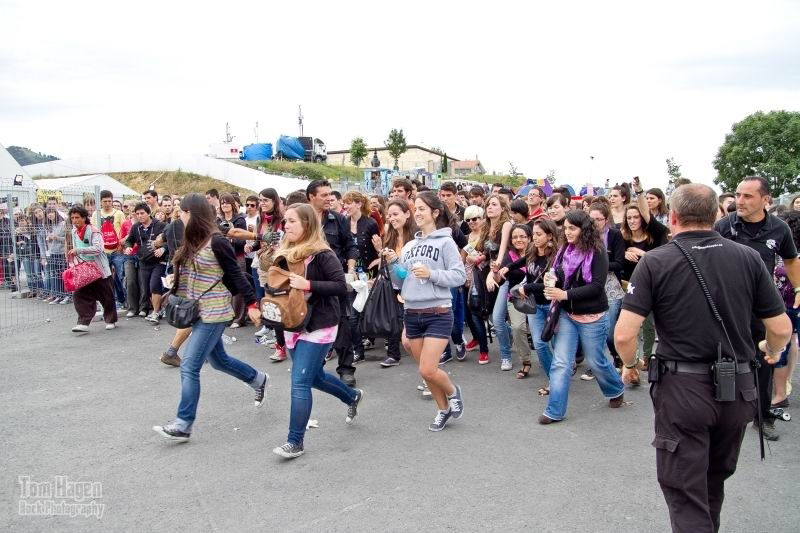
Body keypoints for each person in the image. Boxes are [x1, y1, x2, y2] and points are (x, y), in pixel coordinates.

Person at [614, 184, 791, 533]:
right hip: (737, 387)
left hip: (683, 389)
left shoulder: (656, 261)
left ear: (673, 217)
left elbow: (623, 334)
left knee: (685, 490)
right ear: (715, 215)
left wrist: (630, 365)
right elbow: (781, 328)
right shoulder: (748, 257)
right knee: (712, 481)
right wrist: (772, 350)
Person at [152, 194, 267, 443]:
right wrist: (174, 285)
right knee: (219, 361)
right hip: (195, 310)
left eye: (182, 213)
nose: (179, 217)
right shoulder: (191, 239)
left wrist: (252, 304)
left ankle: (183, 424)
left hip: (214, 312)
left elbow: (236, 274)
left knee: (189, 366)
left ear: (190, 213)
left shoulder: (217, 241)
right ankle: (258, 379)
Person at [269, 203, 363, 459]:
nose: (286, 225)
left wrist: (308, 284)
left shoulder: (322, 253)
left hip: (320, 324)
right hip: (293, 322)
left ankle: (295, 442)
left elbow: (340, 286)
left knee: (300, 381)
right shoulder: (285, 252)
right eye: (285, 221)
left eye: (292, 221)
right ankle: (352, 397)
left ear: (307, 224)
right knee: (314, 377)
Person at [714, 176, 800, 441]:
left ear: (765, 200)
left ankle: (762, 417)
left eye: (747, 196)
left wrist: (798, 288)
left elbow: (790, 260)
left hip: (762, 306)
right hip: (727, 306)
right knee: (725, 359)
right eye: (738, 195)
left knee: (765, 360)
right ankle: (724, 415)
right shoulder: (723, 226)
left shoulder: (779, 228)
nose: (740, 201)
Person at [385, 191, 466, 431]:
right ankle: (443, 410)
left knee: (427, 368)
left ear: (435, 212)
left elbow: (459, 276)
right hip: (412, 312)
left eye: (422, 209)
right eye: (416, 209)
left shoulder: (446, 242)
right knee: (427, 373)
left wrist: (432, 274)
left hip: (438, 312)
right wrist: (393, 264)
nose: (418, 213)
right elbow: (401, 280)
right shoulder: (410, 246)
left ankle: (453, 391)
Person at [539, 210, 625, 424]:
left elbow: (597, 286)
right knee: (561, 362)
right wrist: (551, 278)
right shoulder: (564, 249)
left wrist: (564, 294)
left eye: (572, 228)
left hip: (593, 315)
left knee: (596, 361)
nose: (567, 232)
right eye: (566, 228)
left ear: (584, 230)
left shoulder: (598, 251)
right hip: (567, 314)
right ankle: (554, 410)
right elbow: (560, 274)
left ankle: (615, 389)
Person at [306, 180, 358, 386]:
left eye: (330, 194)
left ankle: (346, 369)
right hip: (308, 280)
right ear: (311, 197)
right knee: (310, 322)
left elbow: (350, 246)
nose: (329, 198)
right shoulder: (301, 219)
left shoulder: (338, 220)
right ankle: (313, 367)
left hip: (335, 280)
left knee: (342, 323)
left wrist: (351, 269)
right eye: (324, 195)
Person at [371, 199, 418, 367]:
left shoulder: (416, 238)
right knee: (392, 317)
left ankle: (428, 353)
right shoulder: (389, 236)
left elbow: (411, 267)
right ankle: (393, 355)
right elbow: (386, 263)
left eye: (395, 214)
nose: (391, 218)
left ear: (407, 214)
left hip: (413, 285)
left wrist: (396, 260)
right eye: (389, 215)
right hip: (393, 285)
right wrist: (380, 252)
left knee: (410, 323)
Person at [517, 219, 559, 395]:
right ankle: (554, 381)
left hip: (553, 305)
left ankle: (563, 371)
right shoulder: (532, 252)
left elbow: (552, 284)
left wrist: (528, 287)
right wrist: (504, 269)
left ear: (549, 236)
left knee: (557, 346)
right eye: (533, 234)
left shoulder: (556, 256)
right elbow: (522, 267)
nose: (534, 237)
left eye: (538, 234)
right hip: (535, 305)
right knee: (540, 345)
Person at [587, 202, 626, 377]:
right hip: (589, 286)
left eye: (599, 219)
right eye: (592, 219)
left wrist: (598, 265)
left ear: (606, 219)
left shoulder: (614, 235)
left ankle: (617, 358)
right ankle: (596, 364)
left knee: (609, 332)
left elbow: (619, 263)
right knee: (594, 330)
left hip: (610, 286)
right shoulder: (585, 236)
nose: (595, 223)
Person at [66, 205, 118, 333]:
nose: (74, 220)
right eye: (72, 218)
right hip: (84, 270)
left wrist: (79, 250)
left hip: (99, 269)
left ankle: (110, 320)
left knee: (106, 295)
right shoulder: (74, 232)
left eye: (77, 217)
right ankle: (83, 322)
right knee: (79, 294)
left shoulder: (93, 231)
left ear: (84, 218)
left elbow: (99, 248)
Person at [342, 191, 380, 364]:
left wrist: (375, 273)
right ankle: (358, 350)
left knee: (369, 310)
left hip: (368, 273)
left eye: (349, 203)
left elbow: (375, 250)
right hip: (350, 274)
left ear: (358, 204)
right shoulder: (343, 223)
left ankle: (375, 338)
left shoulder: (370, 223)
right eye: (344, 203)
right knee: (352, 314)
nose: (345, 206)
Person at [476, 194, 513, 368]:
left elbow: (503, 252)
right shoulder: (486, 226)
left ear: (503, 208)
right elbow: (485, 251)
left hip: (504, 273)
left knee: (497, 318)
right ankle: (509, 334)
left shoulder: (506, 225)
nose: (489, 207)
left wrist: (493, 272)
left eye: (494, 204)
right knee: (490, 313)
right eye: (487, 205)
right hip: (488, 273)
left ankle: (506, 355)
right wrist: (477, 257)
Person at [494, 223, 536, 377]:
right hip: (516, 298)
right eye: (515, 237)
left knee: (542, 333)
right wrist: (495, 273)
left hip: (537, 296)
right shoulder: (509, 256)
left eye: (522, 236)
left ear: (529, 238)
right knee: (517, 327)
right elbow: (500, 280)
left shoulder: (537, 252)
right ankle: (526, 361)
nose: (519, 240)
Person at [773, 210, 800, 409]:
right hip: (781, 306)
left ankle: (783, 388)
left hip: (793, 305)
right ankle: (781, 391)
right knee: (783, 347)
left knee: (787, 346)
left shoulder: (790, 256)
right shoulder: (778, 253)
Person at [123, 203, 167, 323]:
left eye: (142, 213)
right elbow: (129, 240)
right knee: (147, 289)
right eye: (137, 214)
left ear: (148, 213)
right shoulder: (136, 227)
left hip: (159, 261)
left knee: (154, 285)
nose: (139, 216)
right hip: (143, 261)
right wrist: (128, 247)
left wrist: (163, 249)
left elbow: (170, 240)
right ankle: (158, 309)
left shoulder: (161, 225)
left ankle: (156, 312)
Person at [462, 204, 490, 363]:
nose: (471, 222)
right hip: (466, 279)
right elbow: (462, 259)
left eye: (475, 219)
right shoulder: (466, 237)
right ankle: (476, 338)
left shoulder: (487, 236)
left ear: (482, 219)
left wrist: (477, 258)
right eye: (468, 220)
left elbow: (489, 257)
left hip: (481, 279)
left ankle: (484, 350)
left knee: (476, 314)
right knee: (467, 314)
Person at [218, 194, 248, 328]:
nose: (224, 205)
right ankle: (227, 316)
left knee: (239, 287)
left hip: (237, 256)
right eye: (222, 203)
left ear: (232, 204)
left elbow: (241, 241)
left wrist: (229, 239)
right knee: (225, 288)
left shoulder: (240, 220)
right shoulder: (218, 220)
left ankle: (239, 318)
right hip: (222, 258)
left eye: (227, 203)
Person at [97, 190, 126, 309]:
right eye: (105, 201)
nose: (108, 203)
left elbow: (124, 229)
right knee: (106, 278)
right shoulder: (96, 214)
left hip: (117, 250)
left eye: (110, 201)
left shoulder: (119, 214)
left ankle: (121, 300)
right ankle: (109, 301)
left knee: (119, 276)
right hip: (103, 251)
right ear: (100, 202)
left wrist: (121, 245)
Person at [43, 207, 67, 303]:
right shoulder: (49, 226)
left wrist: (56, 237)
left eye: (52, 212)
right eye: (48, 213)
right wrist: (49, 238)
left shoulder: (63, 224)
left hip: (61, 253)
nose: (50, 214)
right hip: (52, 253)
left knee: (63, 275)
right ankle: (58, 295)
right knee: (55, 275)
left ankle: (67, 295)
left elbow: (67, 239)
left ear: (56, 213)